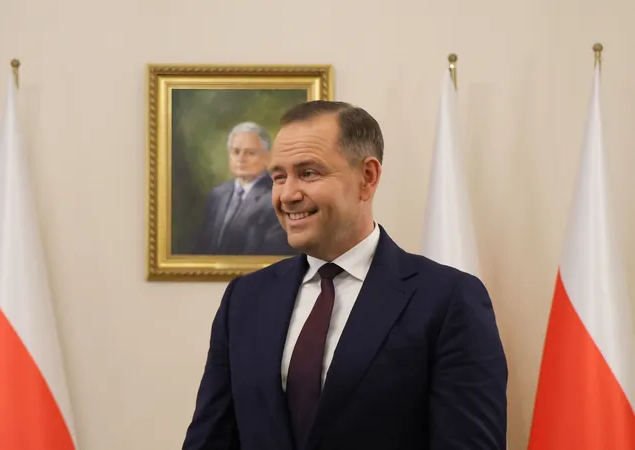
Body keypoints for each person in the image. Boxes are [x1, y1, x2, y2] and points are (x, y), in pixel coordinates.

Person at [182, 101, 508, 450]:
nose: (288, 195)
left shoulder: (448, 300)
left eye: (308, 173)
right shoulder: (245, 299)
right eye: (278, 177)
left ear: (367, 177)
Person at [192, 121, 295, 255]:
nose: (241, 159)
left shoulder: (276, 197)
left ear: (267, 157)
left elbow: (274, 254)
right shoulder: (217, 195)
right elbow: (203, 246)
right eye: (236, 152)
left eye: (250, 153)